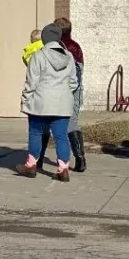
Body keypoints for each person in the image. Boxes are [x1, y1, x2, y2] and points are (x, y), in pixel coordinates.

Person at [15, 23, 78, 181]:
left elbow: (31, 82)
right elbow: (73, 83)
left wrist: (25, 100)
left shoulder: (38, 56)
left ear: (44, 38)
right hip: (63, 103)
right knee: (61, 137)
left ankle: (31, 165)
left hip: (40, 102)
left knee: (35, 133)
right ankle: (63, 169)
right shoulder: (69, 56)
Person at [36, 17, 86, 173]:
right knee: (72, 123)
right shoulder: (76, 47)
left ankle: (38, 159)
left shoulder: (56, 48)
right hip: (75, 89)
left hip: (55, 90)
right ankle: (80, 159)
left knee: (44, 123)